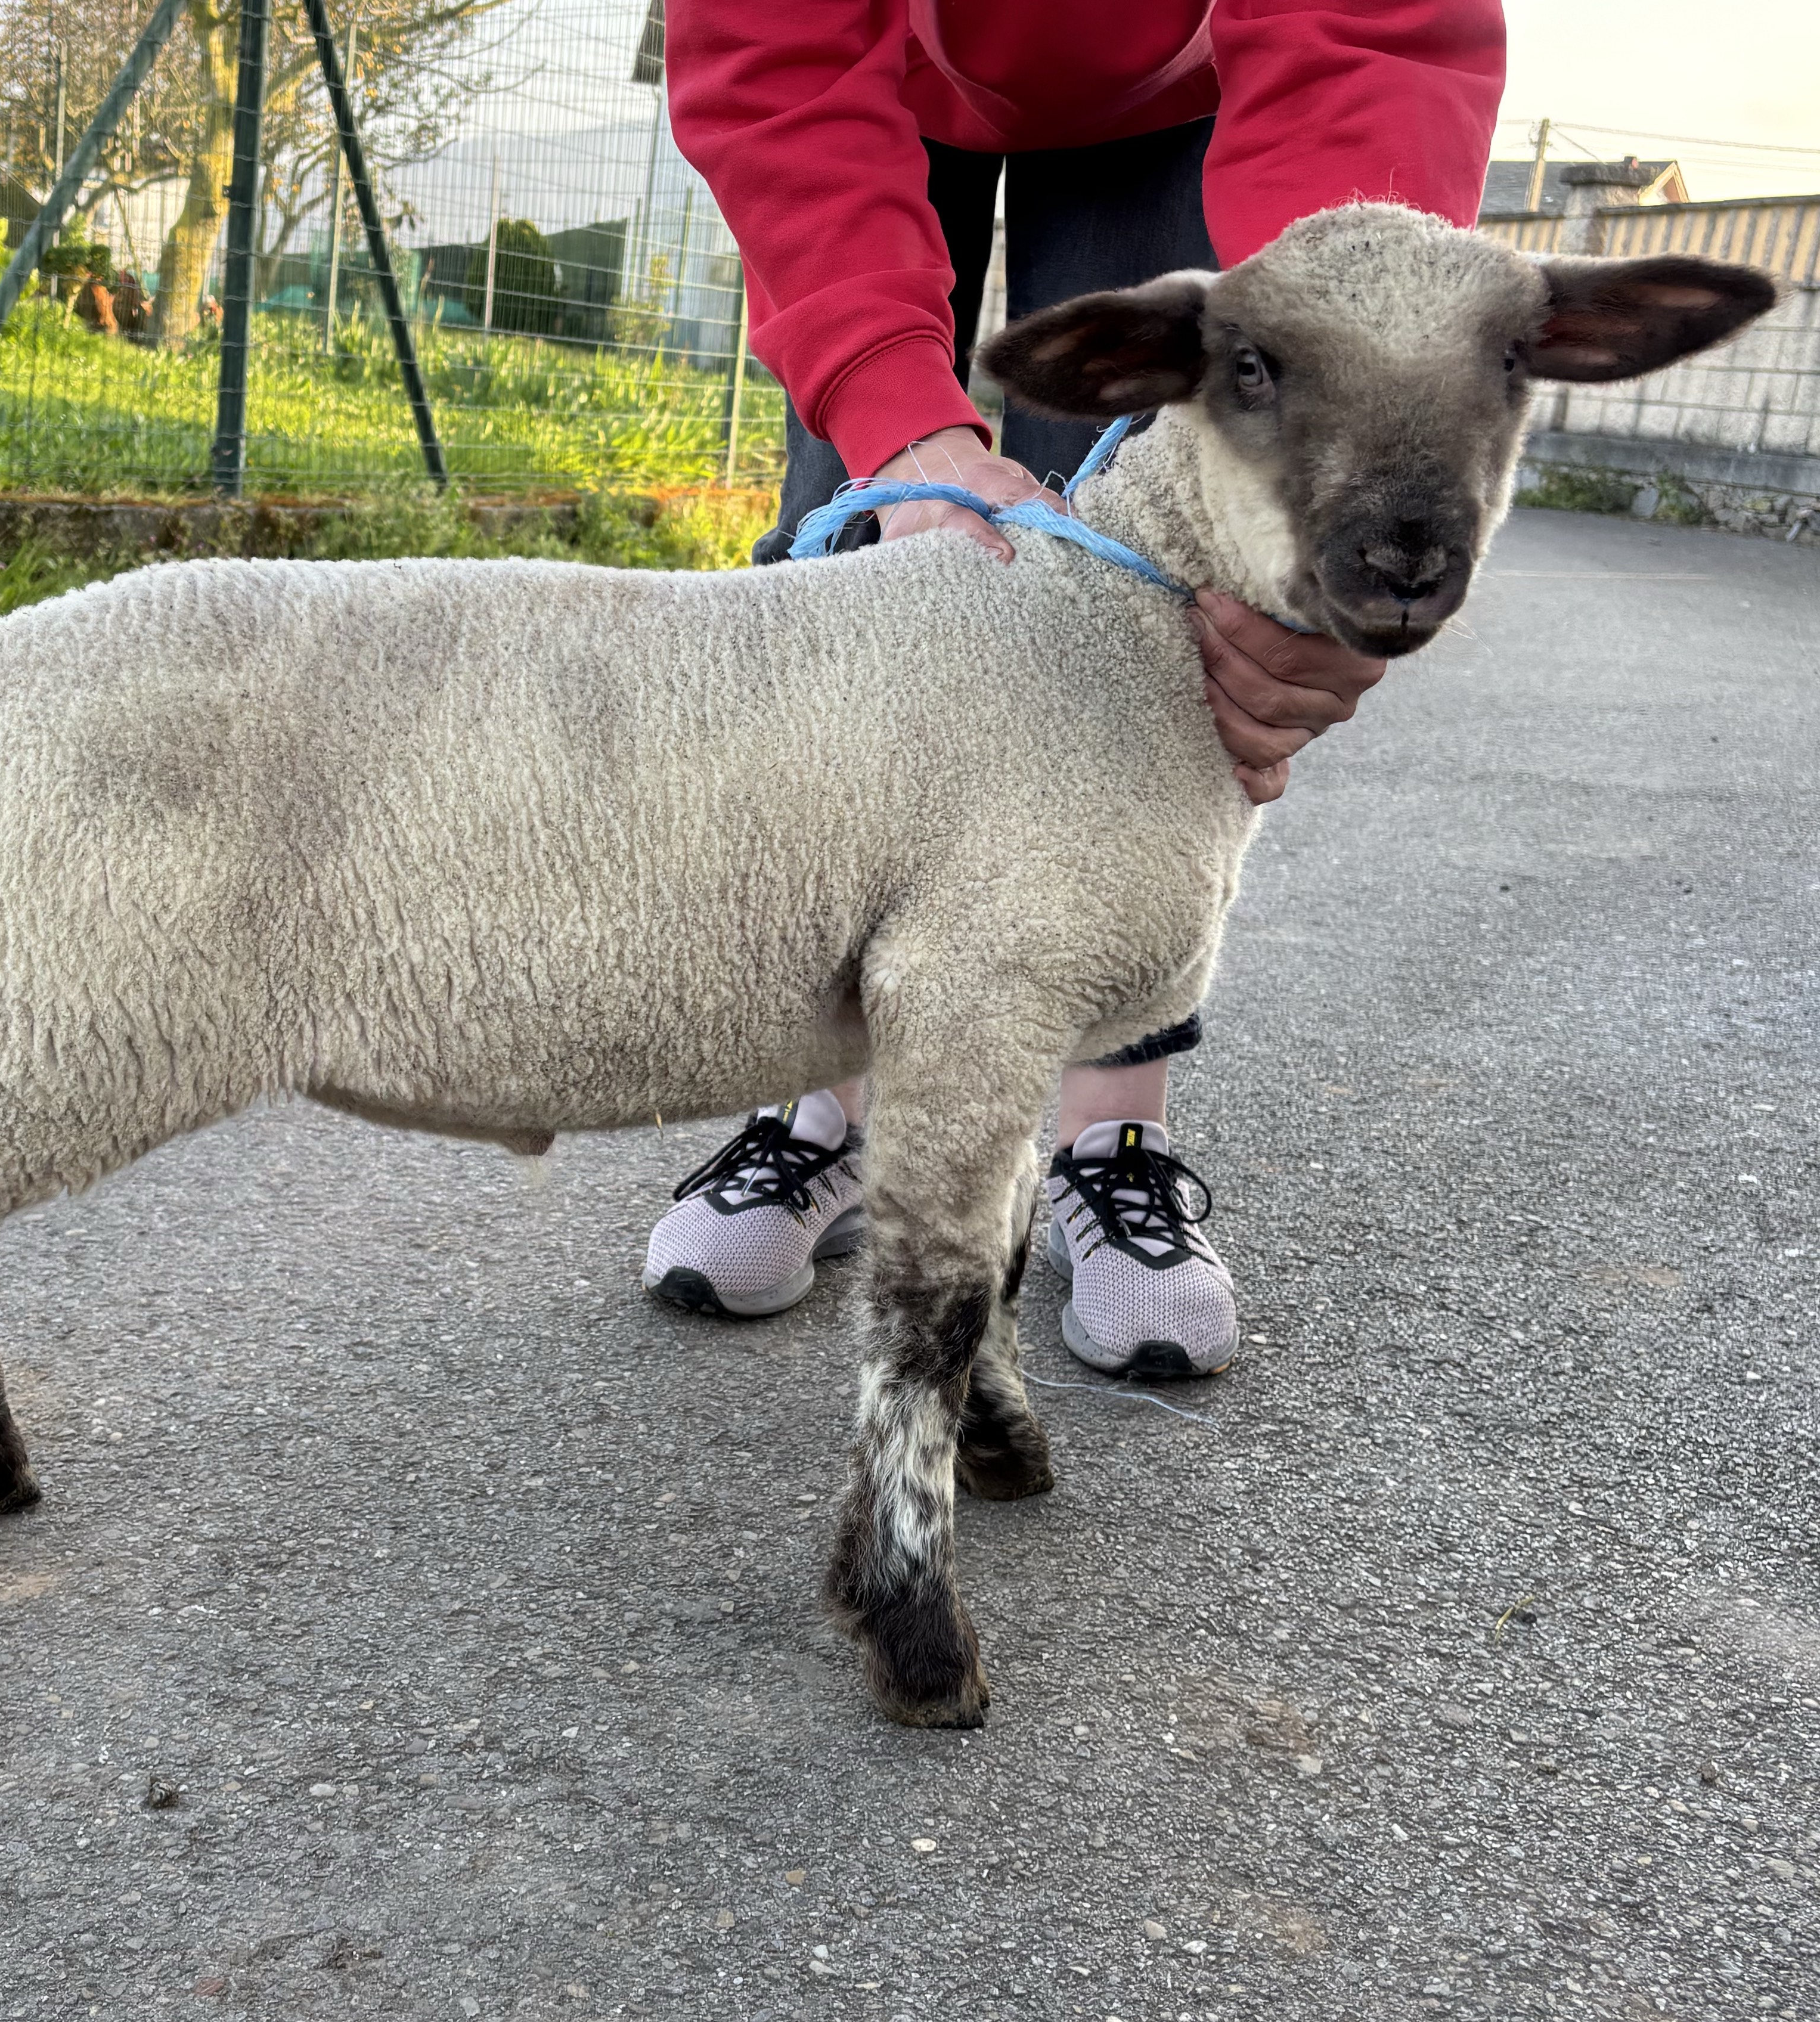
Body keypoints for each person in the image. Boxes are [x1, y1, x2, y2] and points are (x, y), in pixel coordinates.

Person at [641, 0, 1504, 1379]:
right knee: (862, 571)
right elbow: (771, 53)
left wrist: (1339, 474)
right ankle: (830, 1114)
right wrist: (893, 418)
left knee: (1160, 594)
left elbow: (1372, 43)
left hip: (1178, 83)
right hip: (869, 68)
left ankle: (1111, 1143)